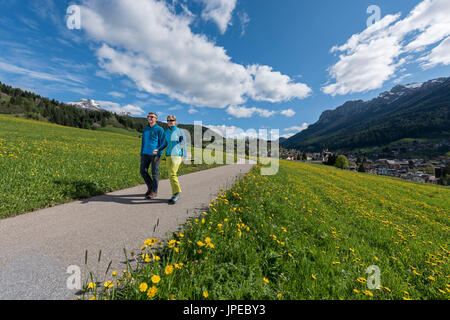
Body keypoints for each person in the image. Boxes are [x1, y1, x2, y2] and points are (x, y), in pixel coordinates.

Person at [156, 115, 187, 205]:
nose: (170, 121)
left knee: (173, 173)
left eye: (172, 120)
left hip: (177, 155)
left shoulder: (180, 131)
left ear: (175, 121)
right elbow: (164, 143)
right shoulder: (166, 132)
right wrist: (158, 153)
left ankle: (177, 193)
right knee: (170, 175)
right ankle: (174, 194)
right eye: (168, 120)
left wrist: (185, 155)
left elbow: (184, 143)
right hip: (168, 155)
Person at [140, 112, 165, 199]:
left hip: (155, 155)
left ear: (156, 119)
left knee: (155, 174)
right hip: (145, 154)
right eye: (148, 116)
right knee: (142, 171)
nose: (149, 118)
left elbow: (162, 143)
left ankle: (154, 192)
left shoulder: (160, 129)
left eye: (152, 117)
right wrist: (141, 153)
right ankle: (151, 187)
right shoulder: (145, 129)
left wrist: (159, 154)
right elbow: (143, 142)